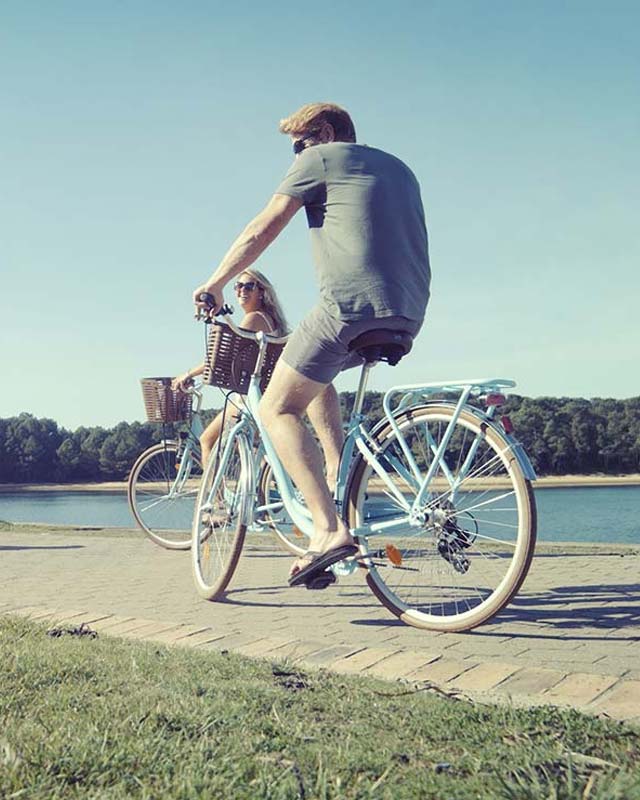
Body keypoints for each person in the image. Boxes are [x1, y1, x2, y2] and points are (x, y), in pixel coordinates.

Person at [192, 102, 431, 586]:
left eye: (298, 146)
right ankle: (336, 468)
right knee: (317, 381)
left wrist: (217, 283)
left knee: (275, 409)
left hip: (349, 305)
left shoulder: (321, 159)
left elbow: (261, 229)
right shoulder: (400, 169)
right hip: (409, 310)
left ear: (323, 133)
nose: (295, 159)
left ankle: (326, 529)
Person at [174, 268, 288, 466]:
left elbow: (222, 357)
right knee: (240, 447)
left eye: (249, 286)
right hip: (261, 395)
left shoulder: (255, 318)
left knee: (207, 441)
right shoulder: (268, 318)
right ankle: (257, 484)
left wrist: (188, 373)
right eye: (238, 286)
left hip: (249, 400)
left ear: (261, 292)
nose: (242, 290)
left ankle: (213, 497)